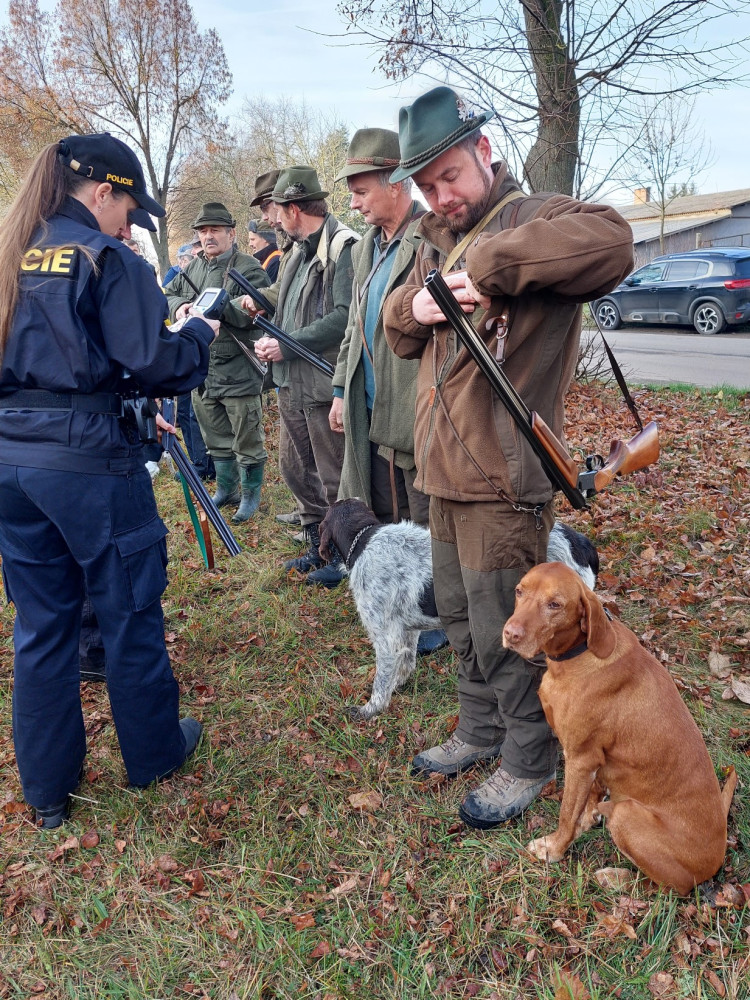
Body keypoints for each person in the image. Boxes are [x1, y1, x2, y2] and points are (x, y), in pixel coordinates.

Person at [383, 86, 634, 828]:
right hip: (441, 473)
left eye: (450, 176)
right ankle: (478, 728)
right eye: (427, 186)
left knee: (512, 630)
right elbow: (396, 327)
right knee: (460, 618)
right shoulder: (431, 239)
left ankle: (527, 757)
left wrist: (487, 267)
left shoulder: (533, 217)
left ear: (484, 153)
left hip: (501, 480)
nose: (441, 197)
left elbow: (613, 241)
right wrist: (416, 306)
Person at [0, 132, 219, 827]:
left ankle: (46, 792)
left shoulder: (9, 251)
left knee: (41, 625)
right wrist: (199, 335)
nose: (130, 225)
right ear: (103, 192)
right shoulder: (104, 258)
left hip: (11, 463)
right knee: (129, 609)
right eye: (129, 209)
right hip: (89, 462)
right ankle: (155, 754)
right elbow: (157, 362)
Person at [329, 127, 445, 649]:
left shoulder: (433, 238)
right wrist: (340, 388)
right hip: (372, 407)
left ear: (396, 182)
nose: (354, 204)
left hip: (419, 407)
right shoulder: (366, 250)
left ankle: (442, 616)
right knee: (387, 510)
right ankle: (403, 607)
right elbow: (354, 328)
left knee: (428, 517)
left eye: (361, 191)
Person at [241, 166, 359, 586]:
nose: (271, 219)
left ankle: (344, 556)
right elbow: (284, 301)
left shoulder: (343, 248)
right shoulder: (297, 250)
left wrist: (286, 343)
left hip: (323, 385)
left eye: (276, 210)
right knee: (295, 469)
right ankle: (317, 544)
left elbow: (345, 317)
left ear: (293, 209)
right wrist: (256, 308)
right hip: (290, 382)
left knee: (332, 476)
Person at [165, 203, 271, 523]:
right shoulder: (193, 267)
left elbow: (258, 308)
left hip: (238, 369)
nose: (208, 236)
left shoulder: (249, 267)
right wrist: (181, 307)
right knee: (215, 437)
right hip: (203, 370)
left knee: (247, 437)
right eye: (203, 231)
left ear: (231, 233)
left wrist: (220, 308)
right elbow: (168, 294)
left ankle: (250, 496)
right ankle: (227, 489)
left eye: (214, 230)